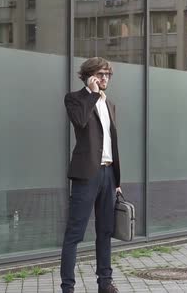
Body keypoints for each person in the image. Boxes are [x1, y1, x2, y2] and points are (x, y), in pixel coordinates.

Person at [60, 57, 121, 293]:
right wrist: (92, 94)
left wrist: (117, 181)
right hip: (86, 175)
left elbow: (111, 144)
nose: (105, 78)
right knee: (74, 234)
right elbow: (80, 121)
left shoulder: (110, 104)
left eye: (108, 75)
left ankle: (105, 282)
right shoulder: (75, 99)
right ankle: (68, 287)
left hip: (108, 175)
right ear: (89, 75)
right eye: (101, 74)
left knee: (105, 231)